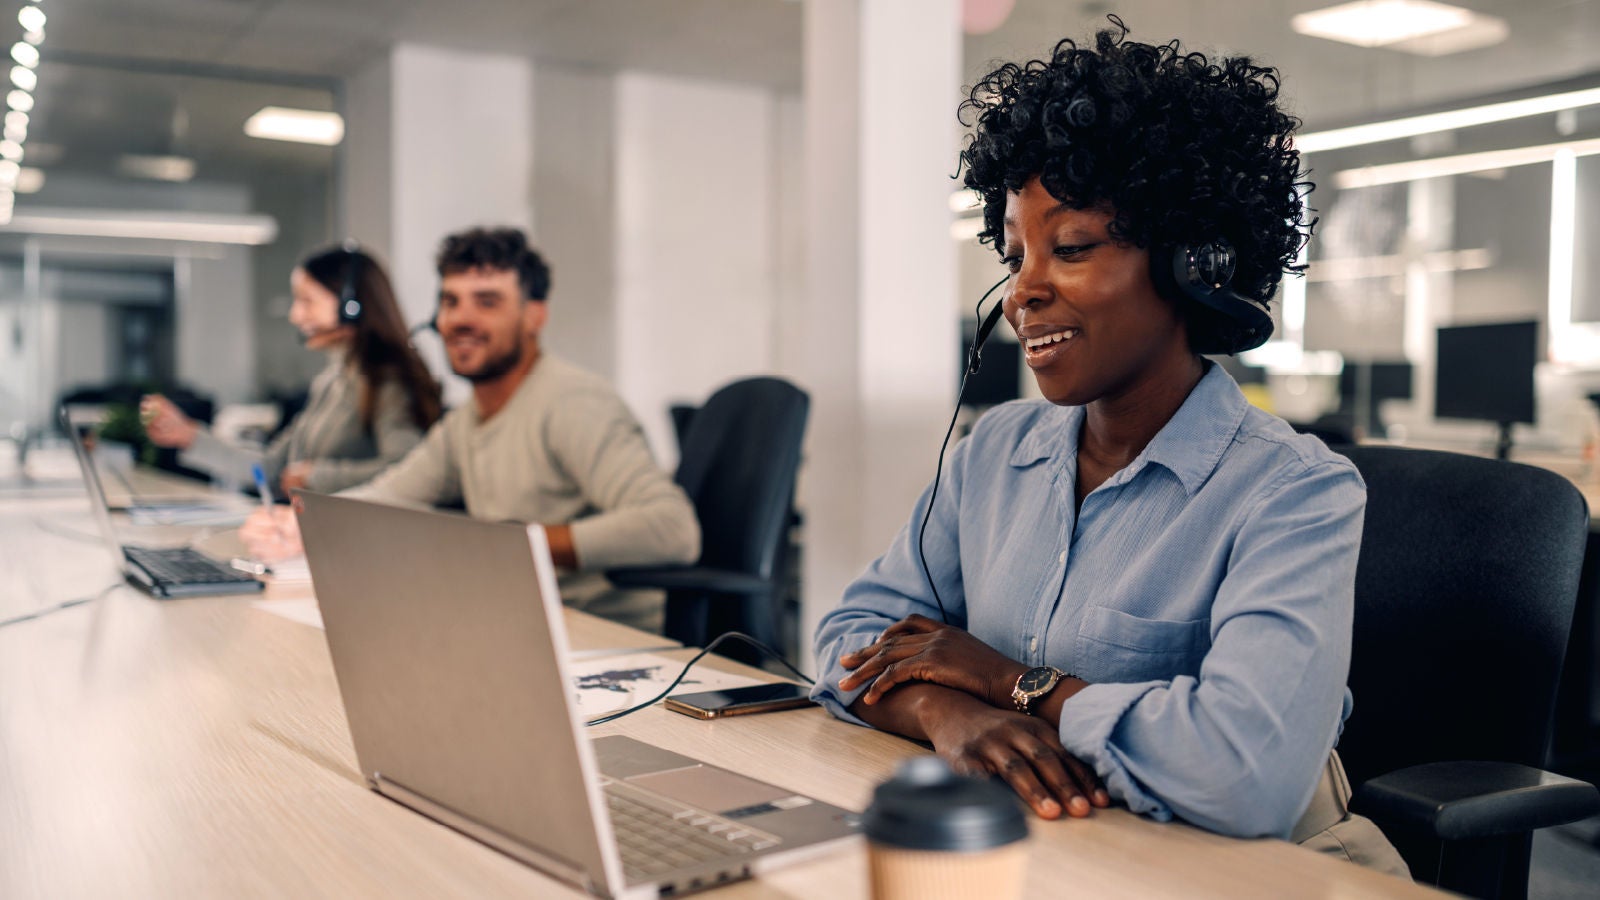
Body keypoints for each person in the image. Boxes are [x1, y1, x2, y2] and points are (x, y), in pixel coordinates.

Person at [811, 21, 1408, 875]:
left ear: (1193, 264)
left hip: (1252, 873)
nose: (1021, 292)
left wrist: (1009, 682)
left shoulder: (1293, 493)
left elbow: (1246, 774)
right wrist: (953, 719)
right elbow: (847, 638)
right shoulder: (994, 455)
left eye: (1073, 248)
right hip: (1055, 855)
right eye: (1014, 256)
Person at [241, 227, 700, 617]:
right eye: (451, 302)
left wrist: (517, 544)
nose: (462, 319)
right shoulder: (467, 422)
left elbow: (673, 528)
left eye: (487, 302)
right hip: (520, 616)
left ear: (534, 315)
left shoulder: (572, 404)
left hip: (608, 638)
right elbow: (388, 496)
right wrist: (300, 525)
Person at [142, 244, 442, 495]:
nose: (296, 315)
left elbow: (409, 469)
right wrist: (188, 436)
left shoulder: (388, 382)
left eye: (307, 301)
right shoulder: (332, 382)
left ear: (352, 306)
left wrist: (318, 477)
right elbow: (272, 469)